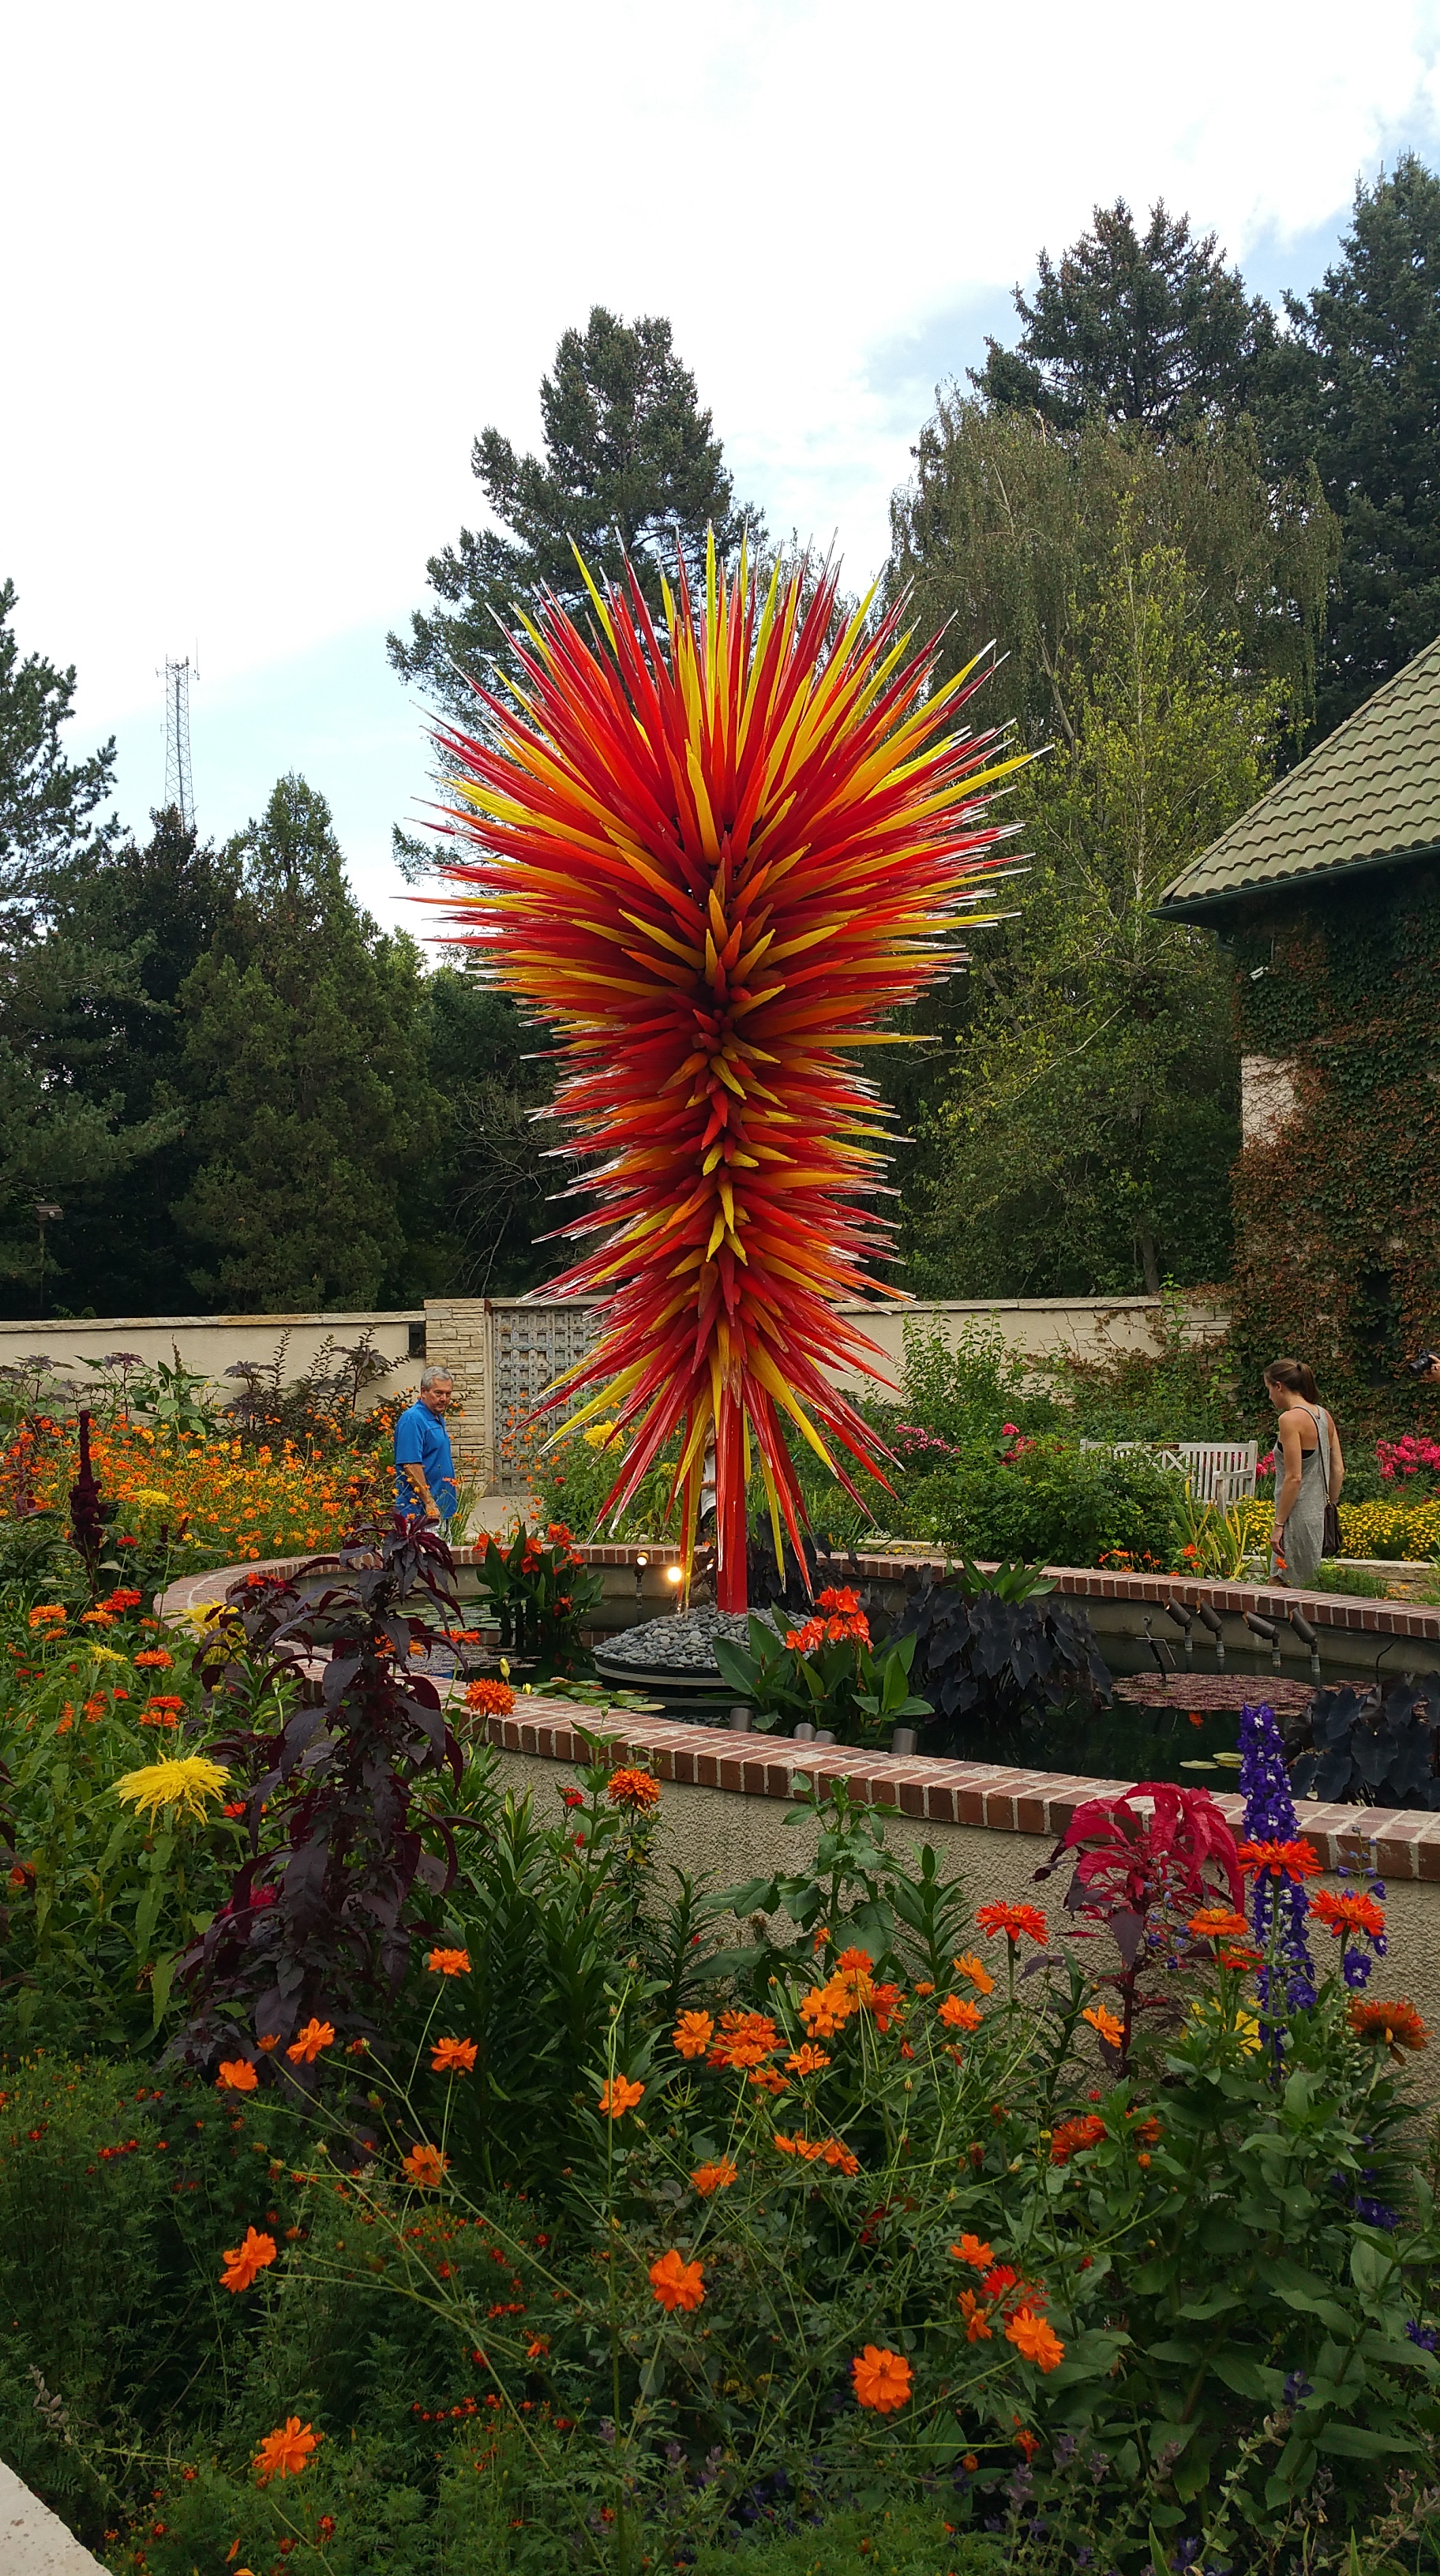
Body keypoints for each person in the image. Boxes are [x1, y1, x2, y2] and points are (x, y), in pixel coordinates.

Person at [1265, 1358, 1344, 1591]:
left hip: (1295, 1517)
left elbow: (1294, 1477)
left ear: (1279, 1386)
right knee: (1305, 1588)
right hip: (1317, 1516)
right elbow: (1338, 1469)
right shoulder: (1324, 1416)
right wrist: (1330, 1506)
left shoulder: (1289, 1420)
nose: (1269, 1397)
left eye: (1269, 1389)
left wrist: (1278, 1525)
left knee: (1280, 1587)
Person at [394, 1368, 457, 1526]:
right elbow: (410, 1465)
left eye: (448, 1394)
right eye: (438, 1393)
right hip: (420, 1515)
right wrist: (429, 1502)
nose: (444, 1399)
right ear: (423, 1391)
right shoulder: (413, 1419)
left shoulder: (435, 1418)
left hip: (439, 1510)